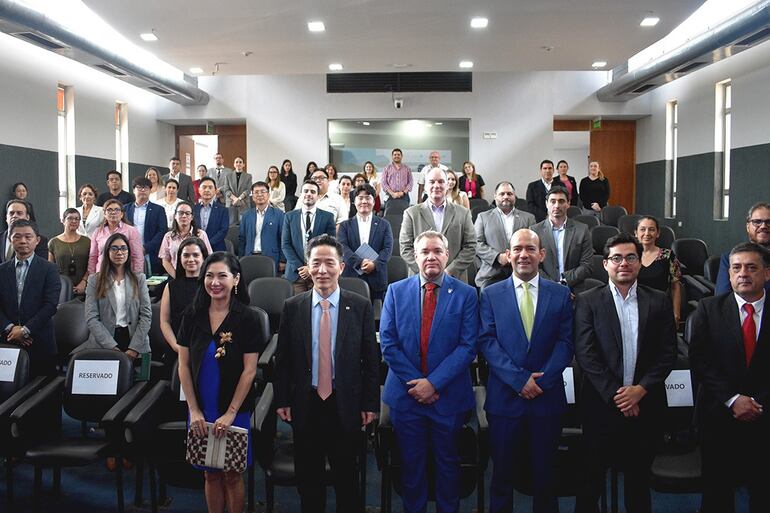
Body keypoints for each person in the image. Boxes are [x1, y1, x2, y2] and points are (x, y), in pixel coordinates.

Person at [275, 234, 379, 513]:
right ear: (307, 268)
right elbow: (282, 360)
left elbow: (370, 360)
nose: (322, 270)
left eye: (329, 263)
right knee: (309, 481)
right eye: (316, 263)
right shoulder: (292, 307)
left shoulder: (360, 306)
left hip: (346, 403)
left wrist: (370, 403)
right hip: (306, 403)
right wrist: (283, 399)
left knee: (348, 478)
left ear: (342, 267)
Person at [574, 232, 677, 513]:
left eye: (631, 257)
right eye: (616, 258)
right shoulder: (587, 301)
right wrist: (618, 396)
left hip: (645, 405)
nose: (624, 263)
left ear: (640, 263)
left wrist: (639, 391)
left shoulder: (658, 300)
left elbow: (667, 353)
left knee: (638, 482)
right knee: (590, 482)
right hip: (601, 405)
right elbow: (586, 354)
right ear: (605, 263)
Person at [380, 230, 478, 513]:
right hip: (406, 398)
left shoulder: (467, 294)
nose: (431, 256)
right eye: (425, 252)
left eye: (437, 251)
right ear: (415, 256)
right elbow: (388, 343)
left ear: (447, 255)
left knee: (448, 466)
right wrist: (418, 385)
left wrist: (433, 384)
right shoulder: (396, 291)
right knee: (412, 467)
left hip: (447, 398)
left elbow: (468, 347)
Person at [479, 228, 573, 513]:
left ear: (541, 255)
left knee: (546, 477)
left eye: (530, 249)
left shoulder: (560, 294)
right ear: (508, 254)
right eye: (517, 248)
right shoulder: (491, 293)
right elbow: (486, 341)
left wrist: (542, 382)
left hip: (547, 399)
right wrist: (519, 380)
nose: (523, 254)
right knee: (502, 478)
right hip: (505, 400)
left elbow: (566, 342)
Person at [177, 252, 264, 513]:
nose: (215, 282)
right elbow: (183, 365)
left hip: (233, 407)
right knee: (210, 473)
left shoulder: (248, 318)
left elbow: (250, 371)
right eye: (209, 276)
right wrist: (193, 410)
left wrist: (231, 413)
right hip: (201, 406)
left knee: (231, 473)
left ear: (235, 279)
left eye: (222, 276)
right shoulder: (192, 315)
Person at [690, 242, 770, 513]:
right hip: (719, 414)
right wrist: (734, 399)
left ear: (766, 273)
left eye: (751, 267)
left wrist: (758, 401)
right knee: (716, 494)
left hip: (765, 415)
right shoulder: (708, 308)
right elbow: (700, 361)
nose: (743, 274)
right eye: (736, 268)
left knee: (763, 491)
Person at [0, 219, 60, 377]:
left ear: (37, 240)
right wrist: (11, 329)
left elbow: (50, 305)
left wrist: (25, 330)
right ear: (10, 239)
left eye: (28, 236)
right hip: (8, 340)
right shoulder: (2, 270)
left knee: (43, 394)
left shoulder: (50, 269)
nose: (23, 241)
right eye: (17, 237)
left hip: (39, 341)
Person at [82, 233, 152, 362]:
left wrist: (134, 348)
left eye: (123, 248)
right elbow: (91, 317)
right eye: (114, 248)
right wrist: (111, 347)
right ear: (107, 251)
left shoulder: (139, 279)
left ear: (128, 252)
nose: (119, 252)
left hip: (134, 342)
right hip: (104, 342)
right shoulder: (94, 280)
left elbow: (146, 316)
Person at [400, 167, 476, 281]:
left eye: (441, 181)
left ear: (447, 186)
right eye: (432, 182)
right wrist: (426, 270)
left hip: (454, 279)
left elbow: (471, 246)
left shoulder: (463, 213)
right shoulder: (411, 214)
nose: (436, 185)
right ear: (425, 187)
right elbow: (405, 248)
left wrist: (450, 271)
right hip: (420, 279)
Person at [531, 186, 593, 292]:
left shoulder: (582, 230)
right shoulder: (535, 231)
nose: (557, 205)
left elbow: (587, 265)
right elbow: (534, 265)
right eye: (553, 201)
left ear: (568, 203)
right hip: (545, 289)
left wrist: (564, 282)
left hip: (575, 290)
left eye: (561, 201)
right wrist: (554, 287)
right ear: (546, 204)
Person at [338, 184, 394, 301]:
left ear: (373, 202)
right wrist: (360, 262)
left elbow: (387, 249)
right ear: (354, 201)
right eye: (360, 198)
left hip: (376, 277)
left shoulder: (384, 224)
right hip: (351, 277)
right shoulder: (345, 225)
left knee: (376, 316)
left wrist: (375, 264)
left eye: (368, 198)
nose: (364, 201)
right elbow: (343, 248)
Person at [475, 182, 536, 289]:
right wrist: (497, 257)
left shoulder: (529, 218)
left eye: (509, 194)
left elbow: (534, 244)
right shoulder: (483, 217)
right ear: (495, 196)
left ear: (514, 196)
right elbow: (476, 243)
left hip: (522, 273)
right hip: (491, 274)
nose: (506, 197)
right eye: (502, 194)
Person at [159, 237, 208, 368]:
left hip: (206, 349)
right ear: (179, 258)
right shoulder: (171, 286)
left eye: (196, 255)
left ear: (204, 257)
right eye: (186, 255)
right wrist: (177, 346)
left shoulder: (212, 285)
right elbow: (165, 322)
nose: (190, 259)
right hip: (177, 348)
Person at [282, 180, 336, 294]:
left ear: (318, 196)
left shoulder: (328, 217)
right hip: (295, 273)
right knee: (298, 309)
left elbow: (331, 246)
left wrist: (311, 268)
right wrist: (301, 267)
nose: (309, 194)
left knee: (318, 309)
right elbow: (285, 245)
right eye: (305, 191)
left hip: (320, 273)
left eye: (313, 191)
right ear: (301, 194)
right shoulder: (289, 216)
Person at [715, 202, 770, 295]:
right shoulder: (729, 258)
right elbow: (722, 298)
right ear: (748, 226)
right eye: (757, 222)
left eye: (769, 222)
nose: (763, 226)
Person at [636, 216, 683, 324]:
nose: (647, 233)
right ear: (636, 233)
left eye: (651, 229)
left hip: (660, 308)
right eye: (642, 229)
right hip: (634, 308)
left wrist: (676, 314)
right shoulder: (630, 256)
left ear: (657, 233)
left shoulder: (668, 255)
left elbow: (675, 287)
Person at [87, 198, 144, 274]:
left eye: (117, 210)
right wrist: (92, 275)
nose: (113, 212)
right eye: (109, 210)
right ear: (105, 214)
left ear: (121, 214)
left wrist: (137, 277)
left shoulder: (131, 231)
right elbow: (93, 257)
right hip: (101, 274)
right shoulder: (98, 232)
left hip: (125, 274)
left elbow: (137, 256)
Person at [125, 177, 168, 275]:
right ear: (133, 190)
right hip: (128, 253)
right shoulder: (125, 209)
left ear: (150, 190)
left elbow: (162, 231)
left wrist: (146, 248)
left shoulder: (158, 210)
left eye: (146, 188)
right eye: (139, 187)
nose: (143, 190)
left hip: (150, 253)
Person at [239, 182, 285, 273]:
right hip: (249, 257)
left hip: (270, 258)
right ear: (252, 196)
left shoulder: (279, 214)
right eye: (256, 192)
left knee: (269, 285)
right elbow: (242, 239)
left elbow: (283, 238)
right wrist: (241, 259)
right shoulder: (246, 215)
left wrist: (283, 260)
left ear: (268, 194)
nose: (259, 194)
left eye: (263, 191)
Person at [159, 202, 213, 278]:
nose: (184, 216)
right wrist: (176, 277)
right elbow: (165, 260)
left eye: (187, 213)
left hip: (198, 276)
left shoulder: (201, 234)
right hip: (175, 276)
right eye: (181, 213)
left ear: (192, 217)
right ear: (175, 216)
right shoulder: (168, 236)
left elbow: (208, 257)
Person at [48, 208, 90, 295]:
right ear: (63, 220)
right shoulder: (53, 242)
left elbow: (91, 265)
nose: (74, 221)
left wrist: (84, 282)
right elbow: (50, 267)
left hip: (84, 287)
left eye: (77, 219)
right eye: (70, 218)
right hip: (60, 288)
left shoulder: (87, 241)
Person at [194, 177, 230, 252]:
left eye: (210, 187)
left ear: (215, 191)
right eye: (204, 187)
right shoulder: (193, 209)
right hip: (196, 248)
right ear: (199, 190)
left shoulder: (223, 210)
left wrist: (207, 244)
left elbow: (223, 230)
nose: (207, 190)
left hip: (216, 249)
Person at [222, 156, 252, 225]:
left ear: (243, 164)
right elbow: (226, 189)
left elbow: (248, 190)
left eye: (240, 162)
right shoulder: (228, 176)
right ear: (234, 164)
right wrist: (235, 199)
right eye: (237, 162)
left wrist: (239, 198)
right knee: (231, 225)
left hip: (244, 203)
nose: (238, 164)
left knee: (244, 225)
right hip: (231, 203)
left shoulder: (248, 176)